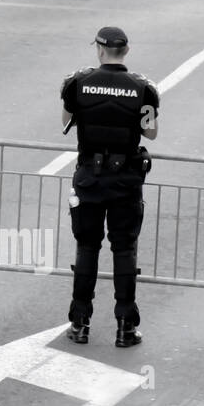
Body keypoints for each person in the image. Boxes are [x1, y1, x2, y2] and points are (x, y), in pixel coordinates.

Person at [60, 26, 159, 347]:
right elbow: (151, 133)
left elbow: (65, 121)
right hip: (125, 181)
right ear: (126, 51)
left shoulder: (77, 83)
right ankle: (125, 327)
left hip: (89, 178)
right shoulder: (143, 88)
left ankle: (80, 323)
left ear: (99, 50)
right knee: (124, 249)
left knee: (87, 247)